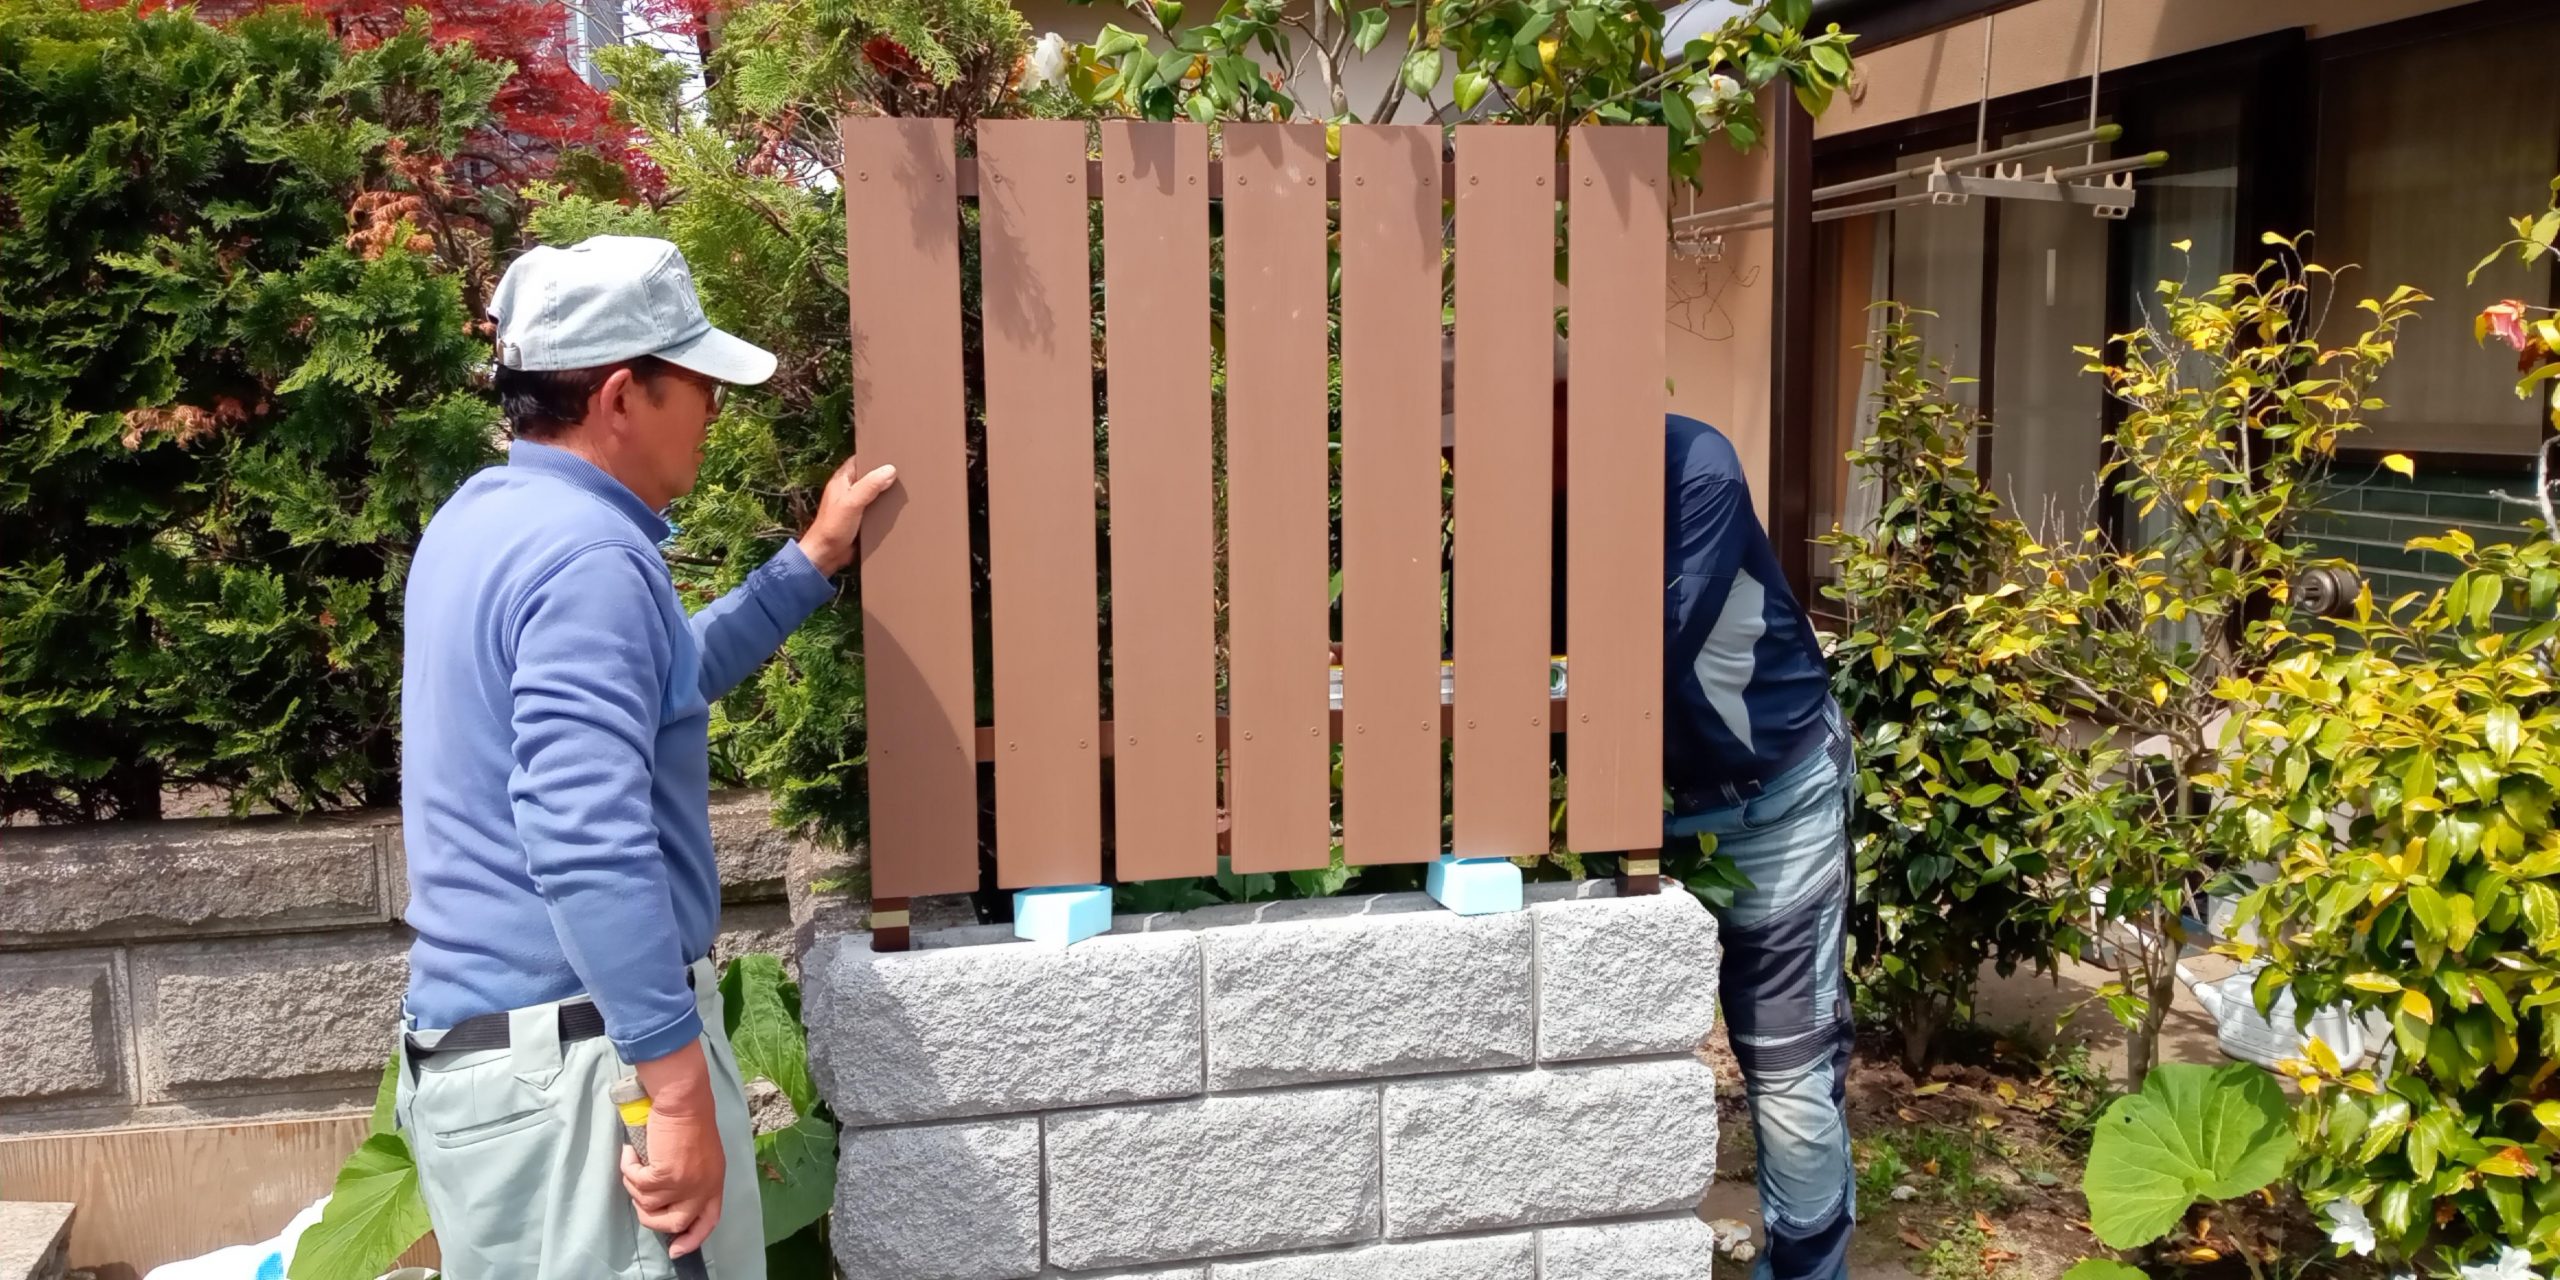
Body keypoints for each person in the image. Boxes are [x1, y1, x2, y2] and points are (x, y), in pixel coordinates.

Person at [395, 234, 896, 1278]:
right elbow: (583, 834)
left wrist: (810, 561)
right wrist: (674, 1091)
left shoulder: (485, 519)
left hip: (496, 1067)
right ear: (622, 395)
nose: (714, 410)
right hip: (588, 1072)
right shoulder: (590, 557)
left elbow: (658, 682)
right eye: (699, 383)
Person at [1443, 336, 1853, 1280]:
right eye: (1453, 447)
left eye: (1474, 439)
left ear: (1562, 407)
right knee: (1604, 1069)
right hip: (1630, 817)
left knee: (1787, 1071)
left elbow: (1645, 653)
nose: (1462, 463)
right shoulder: (1512, 509)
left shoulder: (1692, 464)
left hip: (1775, 798)